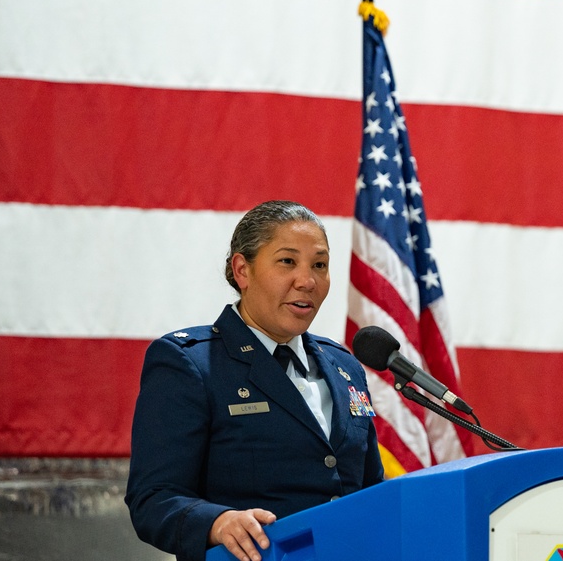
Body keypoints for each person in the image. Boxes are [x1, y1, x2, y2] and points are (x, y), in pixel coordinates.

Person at [126, 200, 384, 561]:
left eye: (320, 265)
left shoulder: (345, 367)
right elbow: (153, 497)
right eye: (287, 262)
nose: (307, 281)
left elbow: (371, 490)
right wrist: (218, 522)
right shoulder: (190, 363)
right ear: (242, 270)